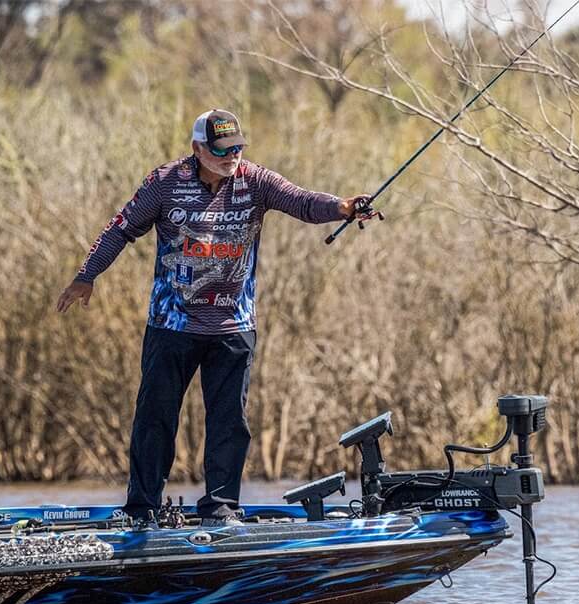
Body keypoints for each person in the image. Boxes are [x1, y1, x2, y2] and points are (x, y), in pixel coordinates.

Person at [56, 108, 365, 527]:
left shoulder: (254, 181)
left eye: (237, 148)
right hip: (172, 325)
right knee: (155, 418)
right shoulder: (164, 183)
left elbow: (303, 201)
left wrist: (343, 207)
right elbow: (121, 228)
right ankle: (141, 509)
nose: (231, 156)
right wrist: (86, 276)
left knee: (229, 422)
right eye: (222, 150)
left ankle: (220, 508)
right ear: (197, 149)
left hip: (232, 327)